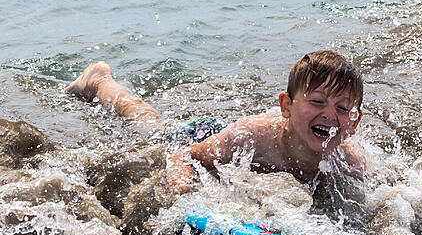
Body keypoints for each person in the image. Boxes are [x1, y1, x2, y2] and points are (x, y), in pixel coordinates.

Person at [65, 50, 364, 196]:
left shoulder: (349, 161)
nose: (329, 115)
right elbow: (185, 156)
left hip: (223, 138)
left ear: (353, 123)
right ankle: (100, 80)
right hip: (202, 136)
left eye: (342, 108)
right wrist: (183, 187)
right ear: (286, 106)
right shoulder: (252, 138)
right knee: (149, 126)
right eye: (316, 101)